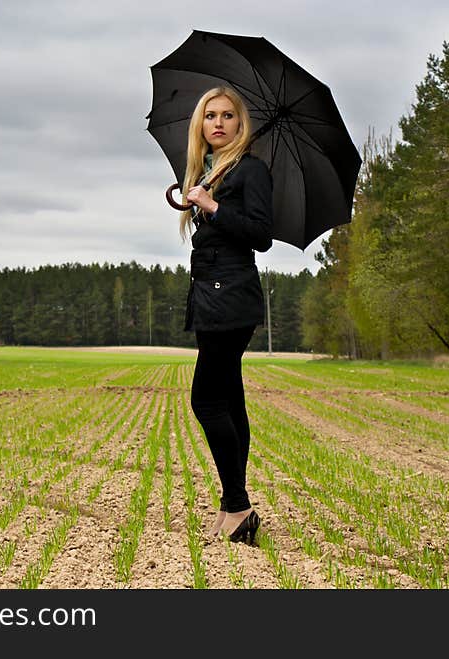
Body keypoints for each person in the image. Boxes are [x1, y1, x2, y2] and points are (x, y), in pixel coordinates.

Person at [180, 86, 272, 545]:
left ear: (242, 124)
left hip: (231, 297)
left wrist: (211, 206)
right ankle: (232, 505)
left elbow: (260, 235)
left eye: (228, 115)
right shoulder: (210, 172)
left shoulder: (250, 171)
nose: (218, 122)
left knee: (206, 401)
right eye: (210, 115)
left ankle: (237, 504)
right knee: (230, 401)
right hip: (212, 296)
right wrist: (198, 197)